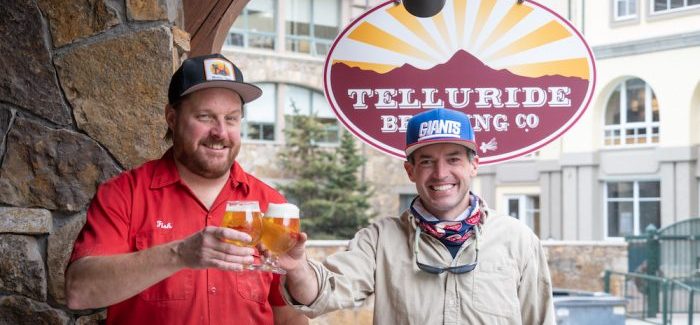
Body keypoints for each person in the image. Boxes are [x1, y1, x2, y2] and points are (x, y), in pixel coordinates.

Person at [65, 53, 308, 325]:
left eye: (231, 119)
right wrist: (178, 255)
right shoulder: (124, 194)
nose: (220, 132)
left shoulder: (269, 203)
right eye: (205, 117)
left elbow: (289, 318)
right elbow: (79, 292)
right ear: (172, 117)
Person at [280, 108, 555, 324]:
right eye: (426, 161)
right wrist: (297, 267)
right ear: (410, 170)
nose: (440, 173)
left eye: (454, 159)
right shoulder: (379, 241)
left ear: (474, 165)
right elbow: (324, 293)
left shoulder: (518, 240)